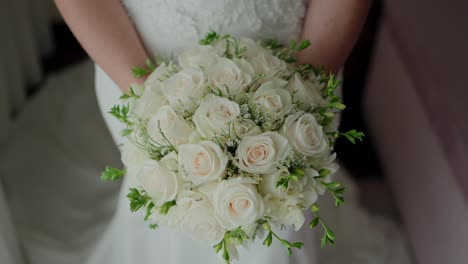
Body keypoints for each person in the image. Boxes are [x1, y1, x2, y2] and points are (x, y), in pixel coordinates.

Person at [55, 0, 412, 263]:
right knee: (165, 204)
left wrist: (304, 90)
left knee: (283, 215)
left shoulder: (304, 85)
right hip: (138, 63)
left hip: (302, 59)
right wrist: (154, 100)